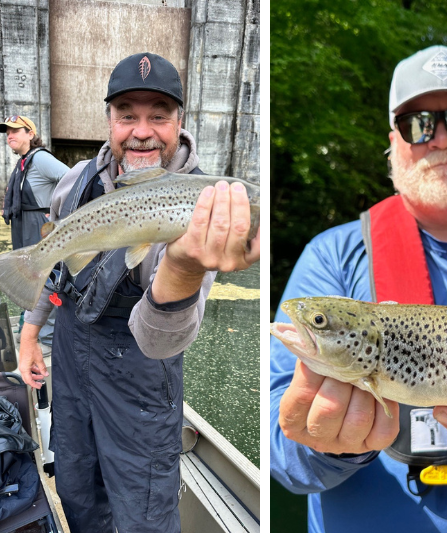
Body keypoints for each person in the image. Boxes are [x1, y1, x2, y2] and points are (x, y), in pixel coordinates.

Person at [270, 45, 447, 532]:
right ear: (394, 142)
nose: (440, 139)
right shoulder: (331, 257)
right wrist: (325, 446)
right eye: (418, 124)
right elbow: (280, 456)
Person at [16, 52, 259, 533]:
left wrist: (183, 268)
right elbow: (57, 269)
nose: (142, 130)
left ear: (179, 122)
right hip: (70, 355)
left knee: (143, 513)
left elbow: (161, 343)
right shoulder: (75, 180)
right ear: (109, 119)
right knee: (76, 488)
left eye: (158, 116)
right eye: (127, 114)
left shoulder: (211, 205)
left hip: (141, 376)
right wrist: (29, 333)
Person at [1, 115, 69, 346]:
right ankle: (28, 323)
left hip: (39, 225)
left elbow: (71, 179)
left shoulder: (39, 159)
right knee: (27, 276)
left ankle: (48, 338)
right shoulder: (22, 163)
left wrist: (57, 212)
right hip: (23, 225)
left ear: (30, 134)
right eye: (8, 131)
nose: (10, 135)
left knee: (45, 276)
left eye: (16, 130)